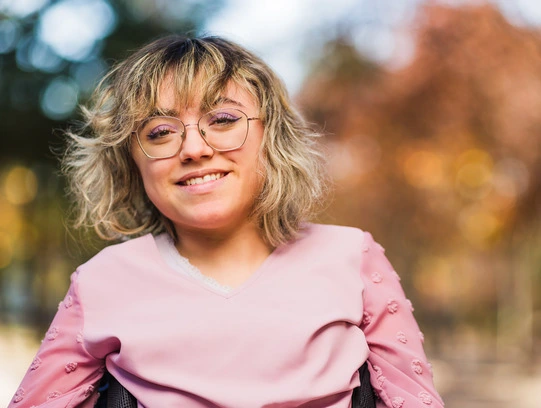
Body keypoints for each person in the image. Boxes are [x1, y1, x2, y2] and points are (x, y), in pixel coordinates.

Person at [9, 35, 444, 408]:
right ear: (131, 163)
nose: (194, 148)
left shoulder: (352, 257)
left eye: (223, 120)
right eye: (159, 132)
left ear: (271, 137)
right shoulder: (103, 280)